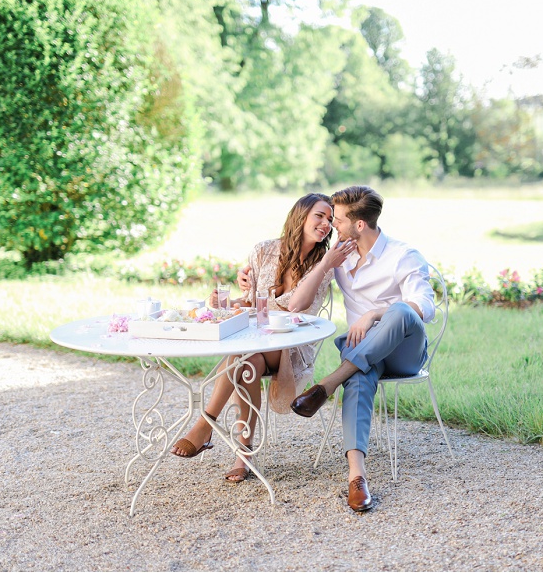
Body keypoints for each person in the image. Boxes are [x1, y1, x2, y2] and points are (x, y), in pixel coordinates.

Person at [169, 193, 352, 484]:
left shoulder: (325, 265)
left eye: (330, 219)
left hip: (291, 345)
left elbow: (296, 306)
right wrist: (224, 302)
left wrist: (326, 263)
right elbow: (251, 303)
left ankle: (205, 425)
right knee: (246, 362)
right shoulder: (264, 250)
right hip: (256, 340)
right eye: (320, 215)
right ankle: (244, 453)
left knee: (240, 357)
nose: (326, 224)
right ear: (300, 215)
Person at [289, 185, 435, 512]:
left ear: (359, 225)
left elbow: (425, 306)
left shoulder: (403, 255)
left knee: (400, 310)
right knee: (358, 374)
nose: (332, 226)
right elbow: (295, 279)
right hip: (364, 356)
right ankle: (357, 477)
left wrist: (373, 313)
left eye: (337, 220)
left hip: (403, 352)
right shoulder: (341, 255)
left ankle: (327, 384)